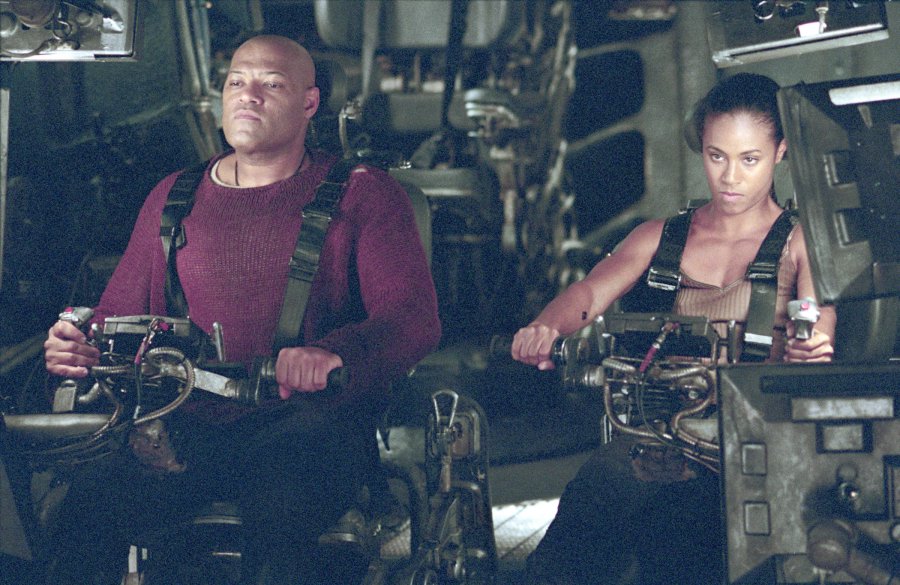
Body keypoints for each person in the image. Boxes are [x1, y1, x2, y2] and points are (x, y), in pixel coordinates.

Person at [42, 34, 441, 585]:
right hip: (183, 427)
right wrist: (81, 348)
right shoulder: (173, 196)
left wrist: (334, 355)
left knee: (280, 525)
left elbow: (414, 319)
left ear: (309, 102)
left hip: (306, 430)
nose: (248, 95)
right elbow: (117, 323)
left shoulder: (364, 194)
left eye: (271, 84)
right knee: (83, 513)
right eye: (237, 82)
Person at [511, 72, 835, 585]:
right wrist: (546, 326)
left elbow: (817, 319)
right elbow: (589, 295)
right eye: (716, 156)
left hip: (756, 441)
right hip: (660, 432)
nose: (730, 177)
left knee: (706, 533)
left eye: (749, 159)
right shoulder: (659, 237)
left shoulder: (801, 243)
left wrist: (812, 345)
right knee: (593, 500)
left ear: (780, 152)